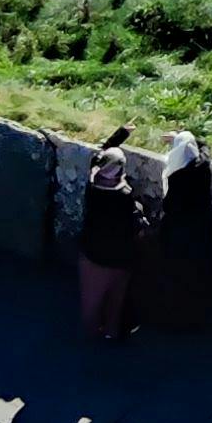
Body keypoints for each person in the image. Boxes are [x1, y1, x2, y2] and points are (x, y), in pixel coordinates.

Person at [143, 132, 212, 336]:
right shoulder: (203, 167)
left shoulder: (177, 176)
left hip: (179, 233)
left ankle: (175, 321)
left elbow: (170, 205)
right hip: (202, 230)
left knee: (176, 276)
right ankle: (197, 321)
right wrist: (188, 137)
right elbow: (205, 151)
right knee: (198, 275)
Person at [75, 141, 151, 342]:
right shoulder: (123, 196)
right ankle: (111, 332)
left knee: (91, 300)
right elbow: (136, 226)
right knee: (116, 299)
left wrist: (120, 135)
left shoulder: (92, 186)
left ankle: (90, 335)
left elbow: (98, 156)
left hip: (92, 254)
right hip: (119, 257)